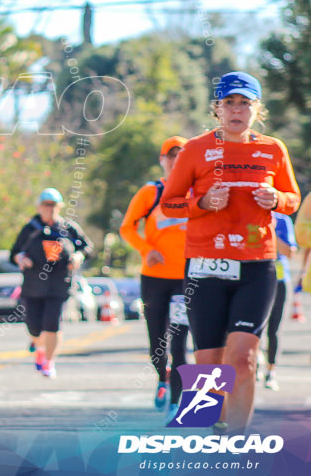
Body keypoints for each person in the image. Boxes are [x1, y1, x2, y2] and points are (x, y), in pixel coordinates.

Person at [162, 71, 300, 435]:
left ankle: (238, 440)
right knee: (208, 360)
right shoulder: (194, 149)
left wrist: (278, 199)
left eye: (245, 103)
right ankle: (208, 430)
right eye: (229, 103)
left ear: (257, 109)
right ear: (217, 109)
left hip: (257, 265)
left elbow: (293, 199)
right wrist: (203, 201)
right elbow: (169, 205)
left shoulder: (273, 149)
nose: (237, 110)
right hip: (204, 265)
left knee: (244, 358)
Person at [119, 136, 191, 419]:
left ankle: (176, 403)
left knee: (180, 343)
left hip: (186, 280)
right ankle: (162, 377)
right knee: (157, 345)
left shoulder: (197, 193)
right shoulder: (151, 192)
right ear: (162, 160)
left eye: (181, 155)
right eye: (170, 155)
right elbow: (127, 227)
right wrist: (146, 249)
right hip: (155, 278)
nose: (175, 160)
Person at [12, 188, 94, 379]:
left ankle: (49, 361)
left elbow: (87, 247)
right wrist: (21, 258)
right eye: (46, 205)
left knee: (52, 324)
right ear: (39, 206)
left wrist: (78, 256)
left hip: (59, 283)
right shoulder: (30, 228)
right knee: (33, 326)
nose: (49, 209)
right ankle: (39, 347)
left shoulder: (68, 227)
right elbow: (14, 252)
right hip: (33, 285)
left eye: (53, 205)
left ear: (59, 207)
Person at [262, 211, 297, 391]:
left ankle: (270, 370)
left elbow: (289, 252)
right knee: (252, 329)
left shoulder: (282, 220)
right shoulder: (248, 217)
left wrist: (271, 229)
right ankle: (253, 367)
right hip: (254, 279)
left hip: (279, 279)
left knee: (273, 329)